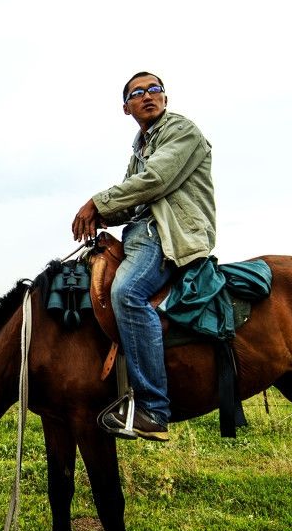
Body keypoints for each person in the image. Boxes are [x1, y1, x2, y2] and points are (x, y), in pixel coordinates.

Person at [72, 71, 216, 442]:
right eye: (138, 93)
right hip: (141, 233)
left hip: (166, 235)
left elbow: (155, 180)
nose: (148, 95)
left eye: (155, 89)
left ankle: (153, 408)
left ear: (165, 98)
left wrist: (98, 201)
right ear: (126, 108)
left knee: (127, 293)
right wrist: (103, 216)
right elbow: (131, 198)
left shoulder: (181, 132)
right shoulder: (139, 148)